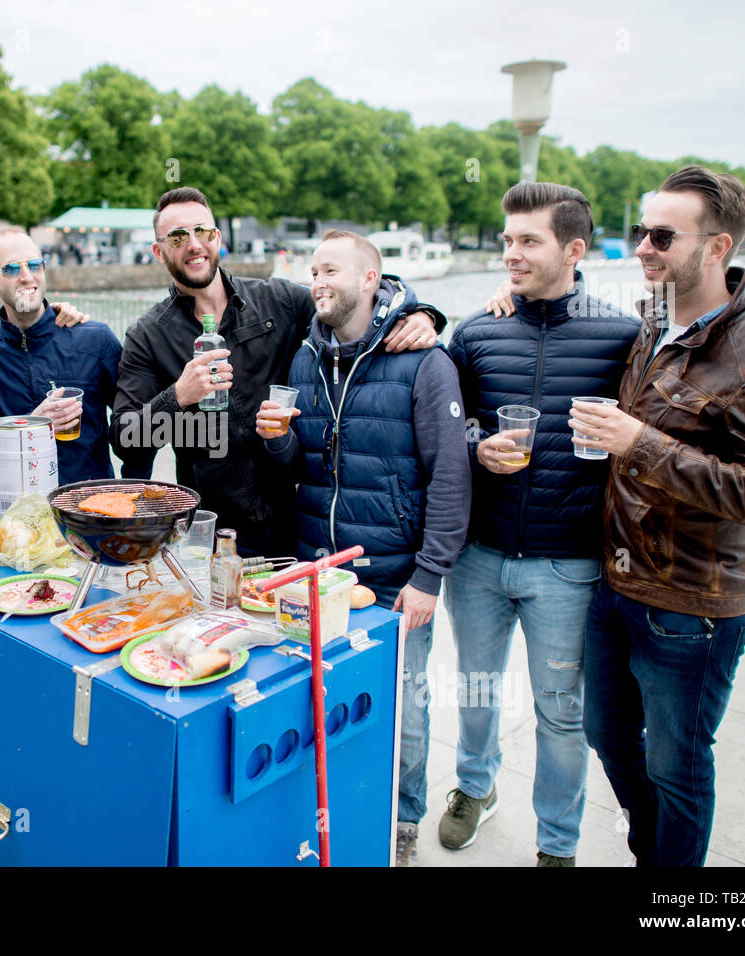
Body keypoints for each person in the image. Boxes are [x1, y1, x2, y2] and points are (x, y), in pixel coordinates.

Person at [571, 166, 745, 866]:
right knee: (607, 734)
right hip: (617, 587)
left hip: (694, 607)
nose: (642, 247)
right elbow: (560, 295)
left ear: (717, 247)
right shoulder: (654, 317)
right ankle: (656, 850)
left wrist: (641, 445)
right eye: (639, 231)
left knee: (676, 766)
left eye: (660, 235)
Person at [255, 230, 470, 867]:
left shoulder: (426, 361)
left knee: (402, 711)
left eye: (331, 270)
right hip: (315, 571)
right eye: (312, 270)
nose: (318, 281)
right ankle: (340, 813)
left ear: (372, 279)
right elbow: (301, 464)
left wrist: (431, 576)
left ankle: (402, 825)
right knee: (325, 701)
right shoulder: (304, 360)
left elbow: (451, 474)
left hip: (394, 575)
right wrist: (275, 441)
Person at [440, 183, 640, 866]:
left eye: (529, 241)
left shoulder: (623, 335)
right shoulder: (475, 330)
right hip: (478, 558)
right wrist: (475, 447)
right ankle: (474, 787)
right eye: (507, 240)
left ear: (574, 250)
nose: (511, 253)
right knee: (474, 690)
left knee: (562, 715)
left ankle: (557, 844)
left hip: (570, 565)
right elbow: (446, 423)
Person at [111, 186, 445, 557]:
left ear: (217, 239)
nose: (193, 244)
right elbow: (126, 438)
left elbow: (352, 298)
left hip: (299, 522)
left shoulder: (280, 300)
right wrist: (178, 397)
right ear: (159, 252)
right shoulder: (147, 334)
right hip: (213, 534)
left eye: (202, 232)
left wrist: (417, 312)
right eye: (177, 237)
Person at [0, 228, 122, 484]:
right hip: (15, 513)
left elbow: (133, 422)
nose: (27, 276)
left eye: (35, 264)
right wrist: (31, 428)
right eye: (11, 269)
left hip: (88, 509)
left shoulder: (95, 339)